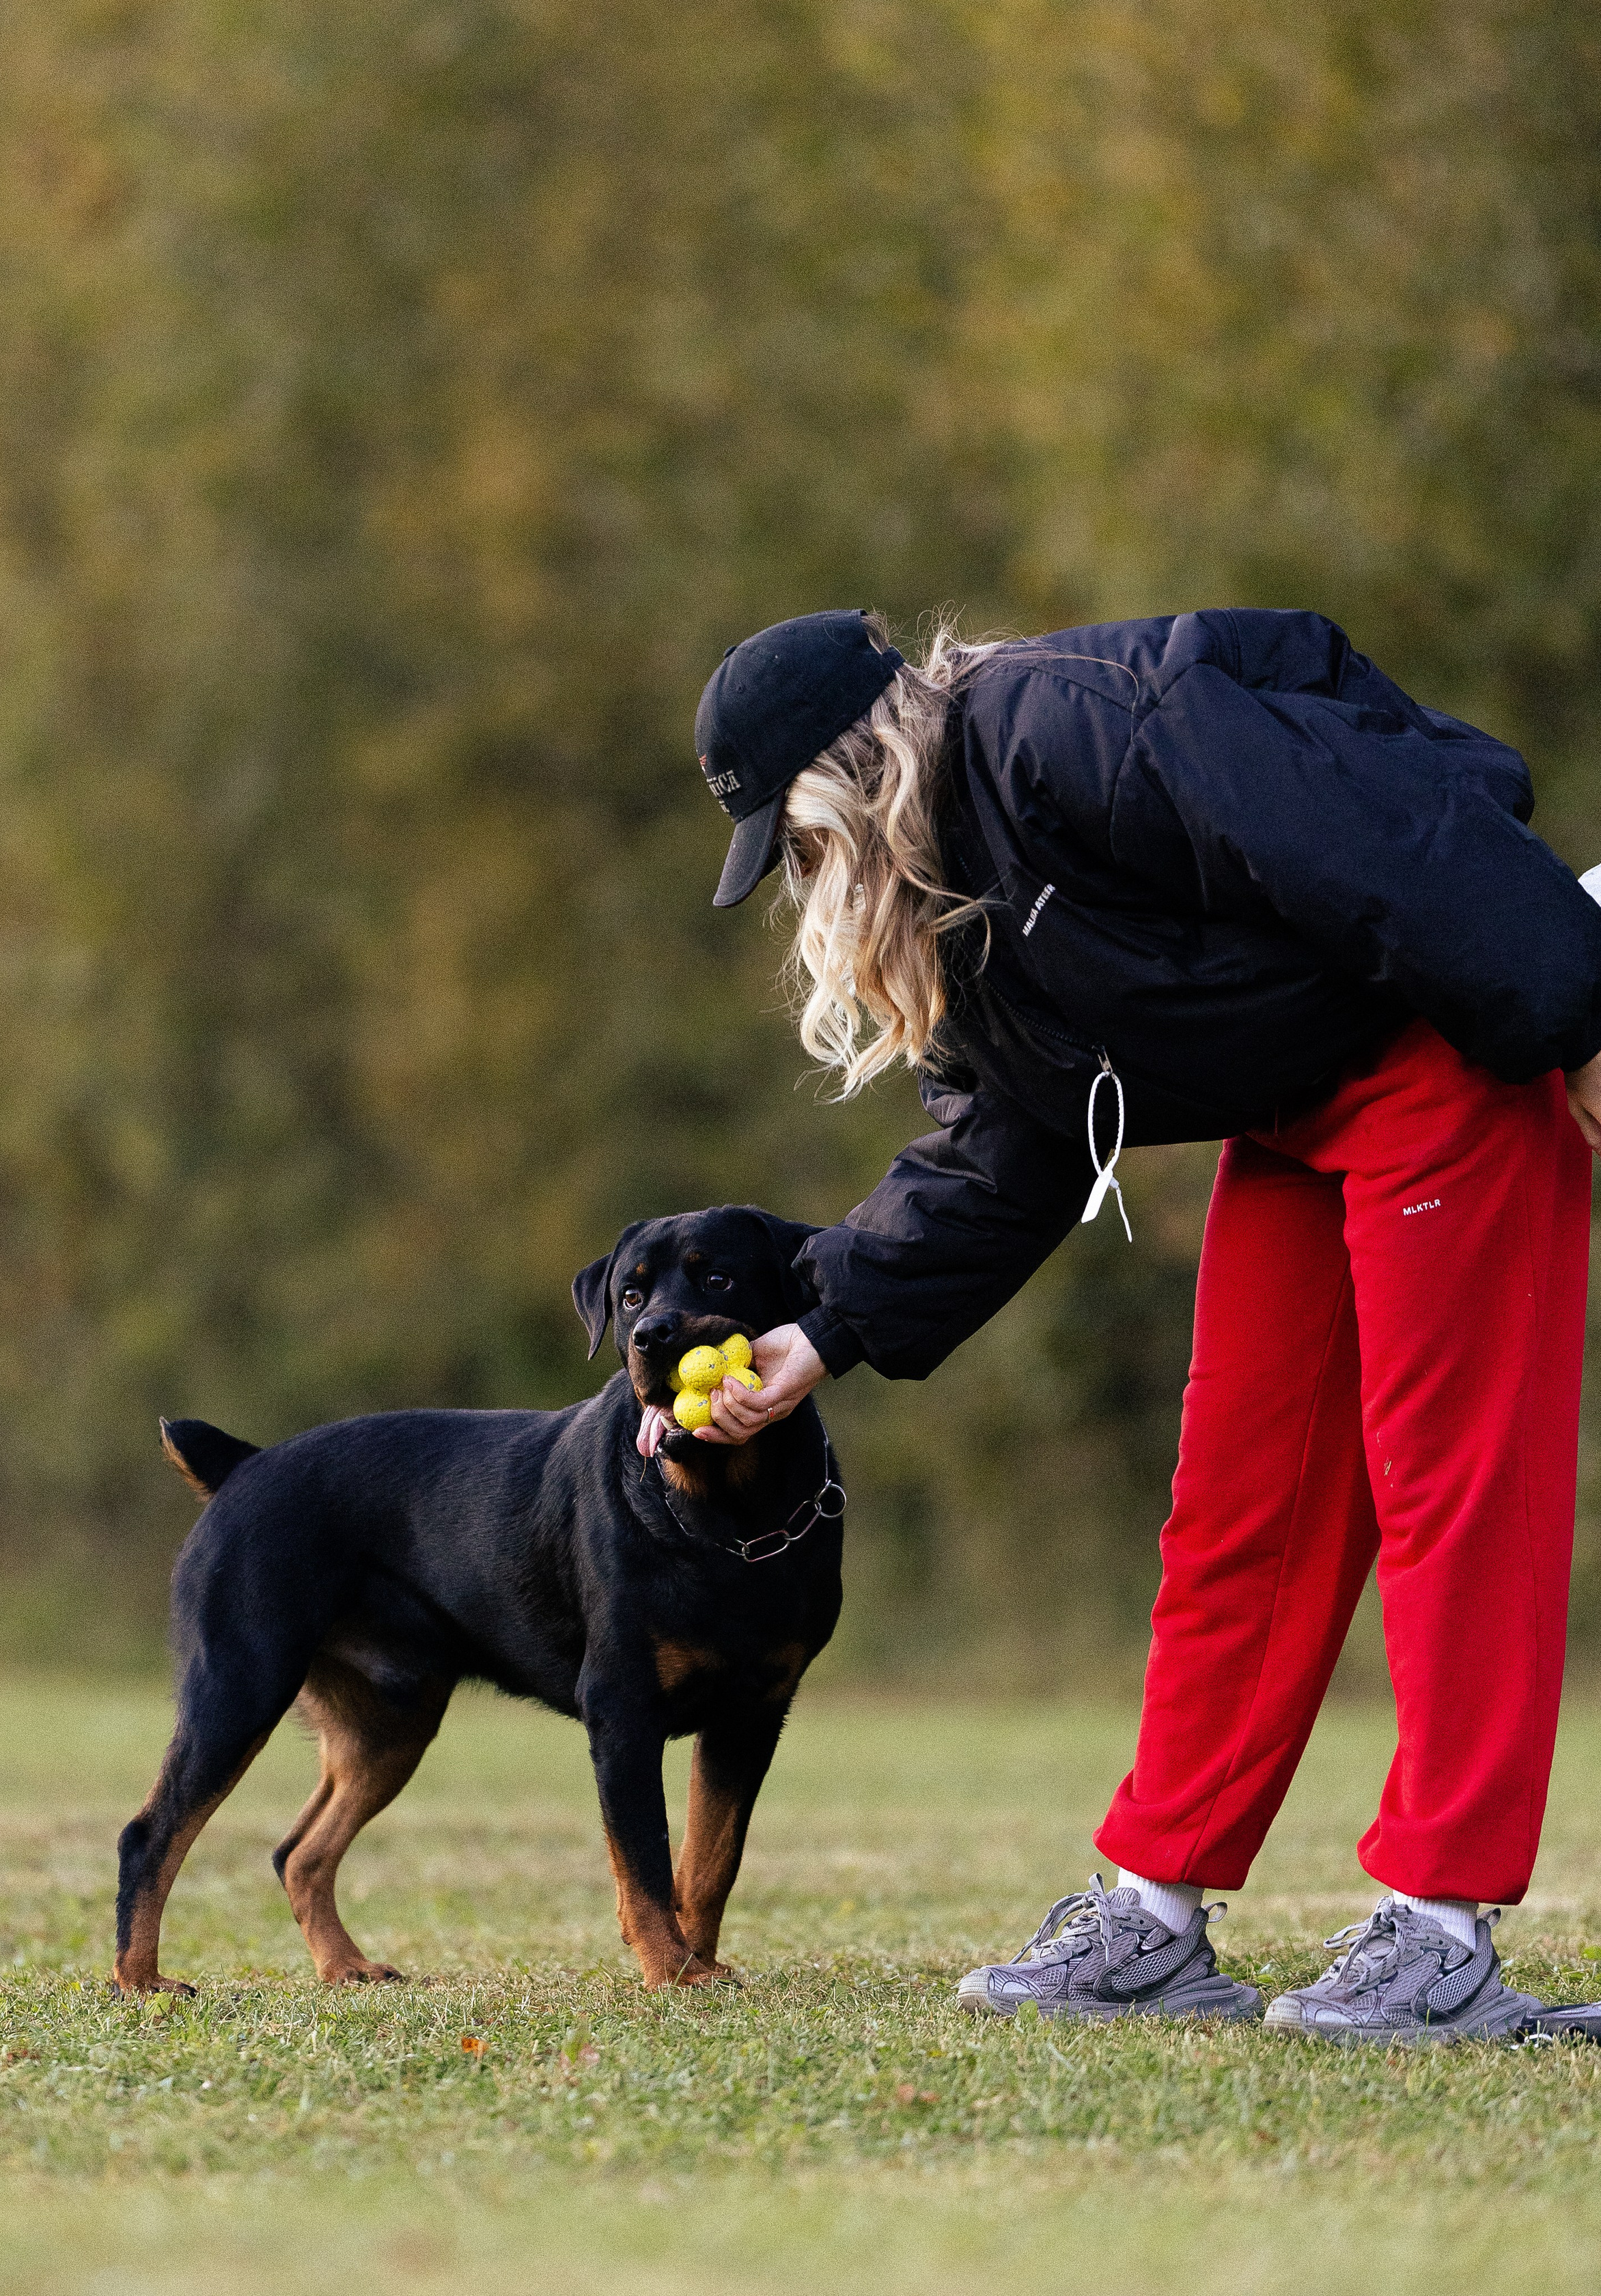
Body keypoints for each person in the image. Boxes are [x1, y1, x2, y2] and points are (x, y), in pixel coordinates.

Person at [648, 604, 1601, 2041]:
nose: (805, 885)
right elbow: (1002, 1151)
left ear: (848, 781)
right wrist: (821, 1329)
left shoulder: (1070, 724)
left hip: (1446, 1057)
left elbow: (1374, 838)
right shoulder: (964, 900)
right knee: (1237, 1505)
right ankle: (1153, 1915)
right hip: (1291, 1106)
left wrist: (1575, 1013)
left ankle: (1441, 1928)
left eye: (793, 843)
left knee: (1448, 1490)